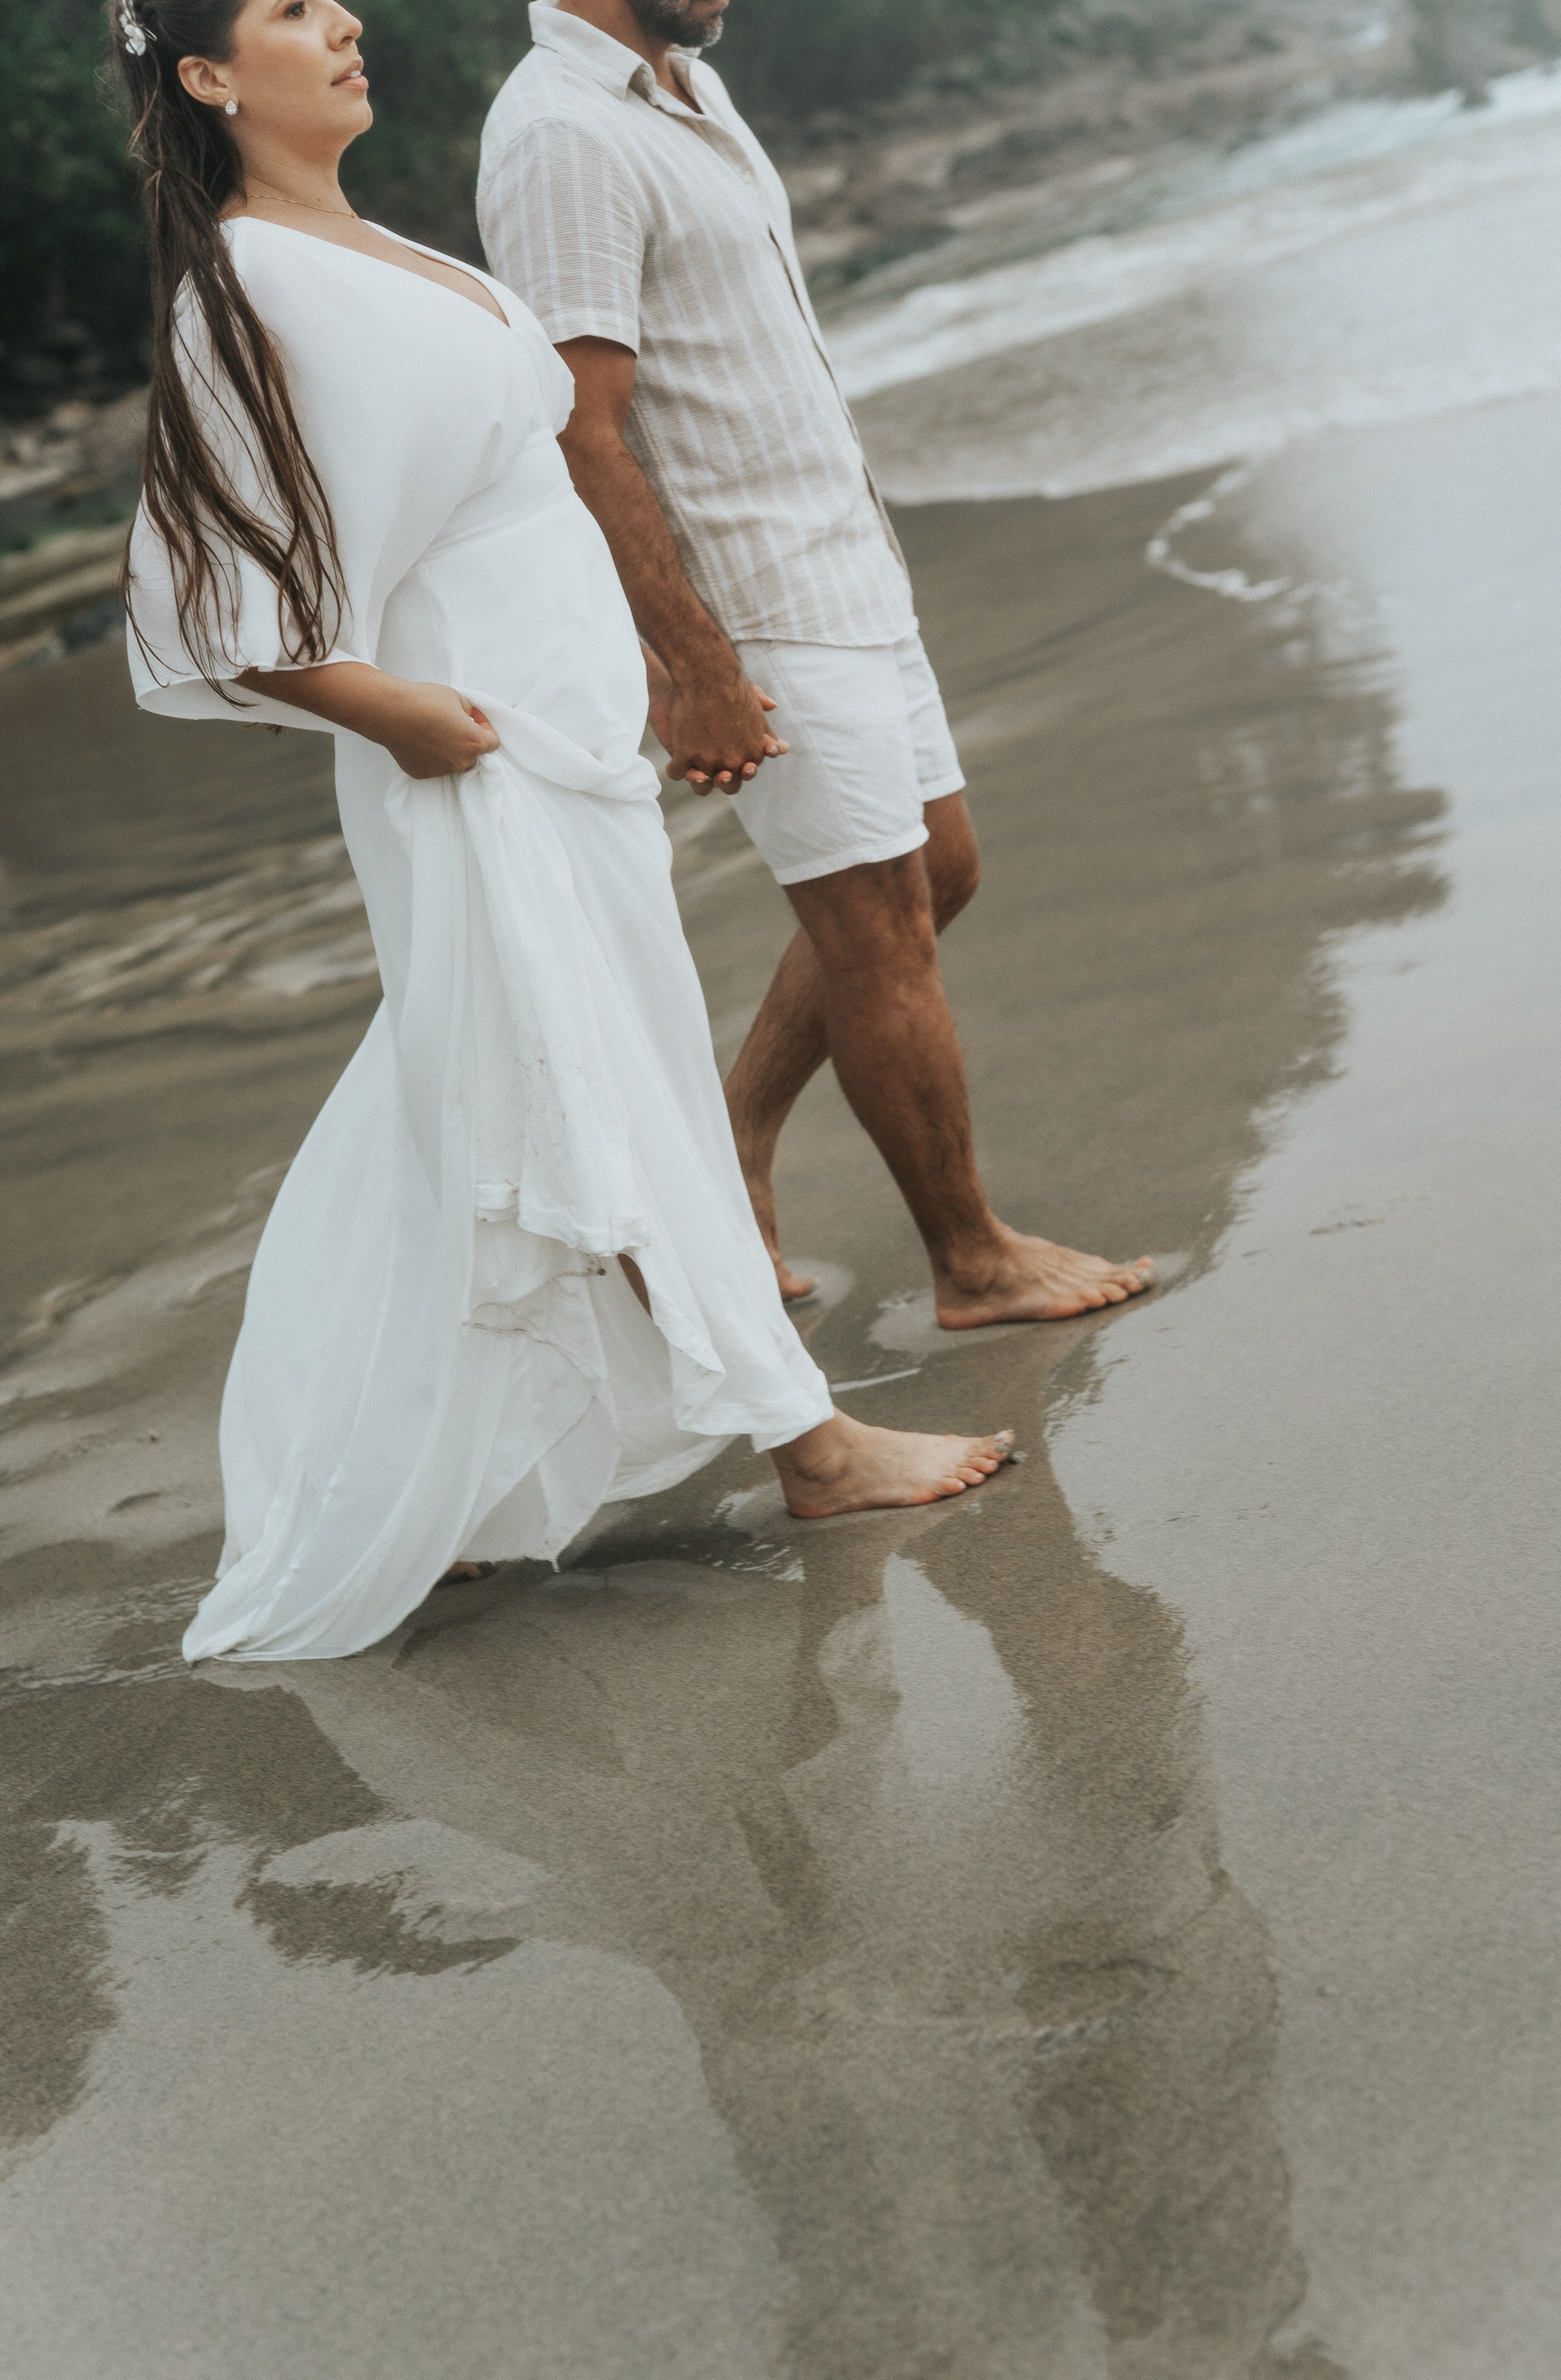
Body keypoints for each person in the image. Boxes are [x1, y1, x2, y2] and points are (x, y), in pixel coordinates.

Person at [113, 0, 1014, 1664]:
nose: (345, 20)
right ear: (207, 77)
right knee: (600, 1082)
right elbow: (220, 604)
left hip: (564, 743)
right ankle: (808, 1444)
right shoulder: (244, 285)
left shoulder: (372, 246)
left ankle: (397, 1475)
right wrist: (402, 715)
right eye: (294, 10)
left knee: (474, 1091)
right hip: (480, 753)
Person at [477, 0, 1155, 1322]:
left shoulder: (685, 86)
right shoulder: (559, 135)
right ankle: (970, 1259)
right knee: (876, 926)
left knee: (938, 872)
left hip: (840, 555)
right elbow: (580, 431)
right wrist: (691, 661)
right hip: (751, 593)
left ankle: (731, 1140)